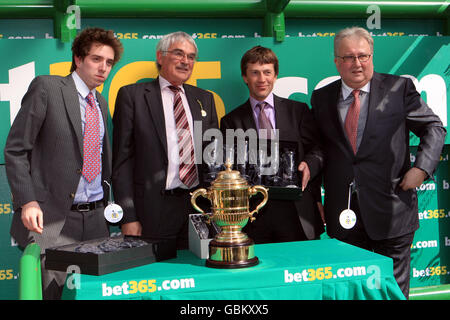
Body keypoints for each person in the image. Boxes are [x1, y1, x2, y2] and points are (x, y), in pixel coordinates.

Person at [310, 26, 446, 298]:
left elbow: (434, 128)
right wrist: (315, 195)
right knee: (350, 291)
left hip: (393, 210)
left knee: (391, 291)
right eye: (348, 57)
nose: (357, 63)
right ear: (336, 62)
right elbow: (318, 149)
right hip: (344, 214)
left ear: (372, 56)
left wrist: (421, 168)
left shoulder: (400, 88)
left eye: (363, 55)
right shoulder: (322, 98)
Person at [4, 27, 123, 299]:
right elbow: (15, 149)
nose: (103, 67)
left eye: (109, 62)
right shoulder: (47, 88)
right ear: (78, 59)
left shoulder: (101, 103)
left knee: (92, 295)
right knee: (52, 295)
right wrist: (28, 202)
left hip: (96, 221)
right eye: (96, 59)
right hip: (53, 221)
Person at [112, 31, 218, 250]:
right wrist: (128, 216)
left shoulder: (204, 99)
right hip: (152, 211)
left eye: (191, 56)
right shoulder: (132, 96)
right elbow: (122, 162)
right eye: (178, 54)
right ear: (160, 57)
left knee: (198, 274)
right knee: (154, 277)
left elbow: (213, 155)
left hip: (197, 209)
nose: (185, 61)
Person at [220, 46, 324, 244]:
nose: (262, 79)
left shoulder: (298, 111)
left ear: (275, 75)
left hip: (296, 211)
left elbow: (317, 149)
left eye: (267, 72)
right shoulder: (230, 121)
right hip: (253, 214)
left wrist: (309, 164)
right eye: (255, 73)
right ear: (245, 77)